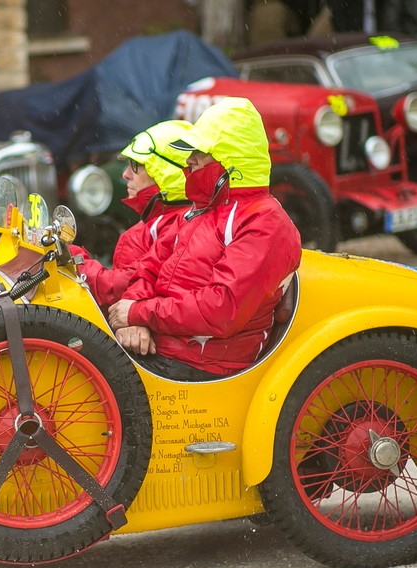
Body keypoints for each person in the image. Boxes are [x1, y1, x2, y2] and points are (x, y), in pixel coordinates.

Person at [106, 97, 302, 381]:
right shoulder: (201, 209)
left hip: (202, 366)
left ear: (231, 160)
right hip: (162, 350)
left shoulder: (264, 222)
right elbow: (148, 269)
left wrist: (139, 313)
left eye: (199, 152)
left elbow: (221, 308)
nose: (188, 161)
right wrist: (131, 322)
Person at [70, 119, 193, 308]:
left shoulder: (179, 227)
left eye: (136, 165)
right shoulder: (158, 222)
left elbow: (119, 288)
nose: (125, 174)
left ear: (165, 172)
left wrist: (72, 258)